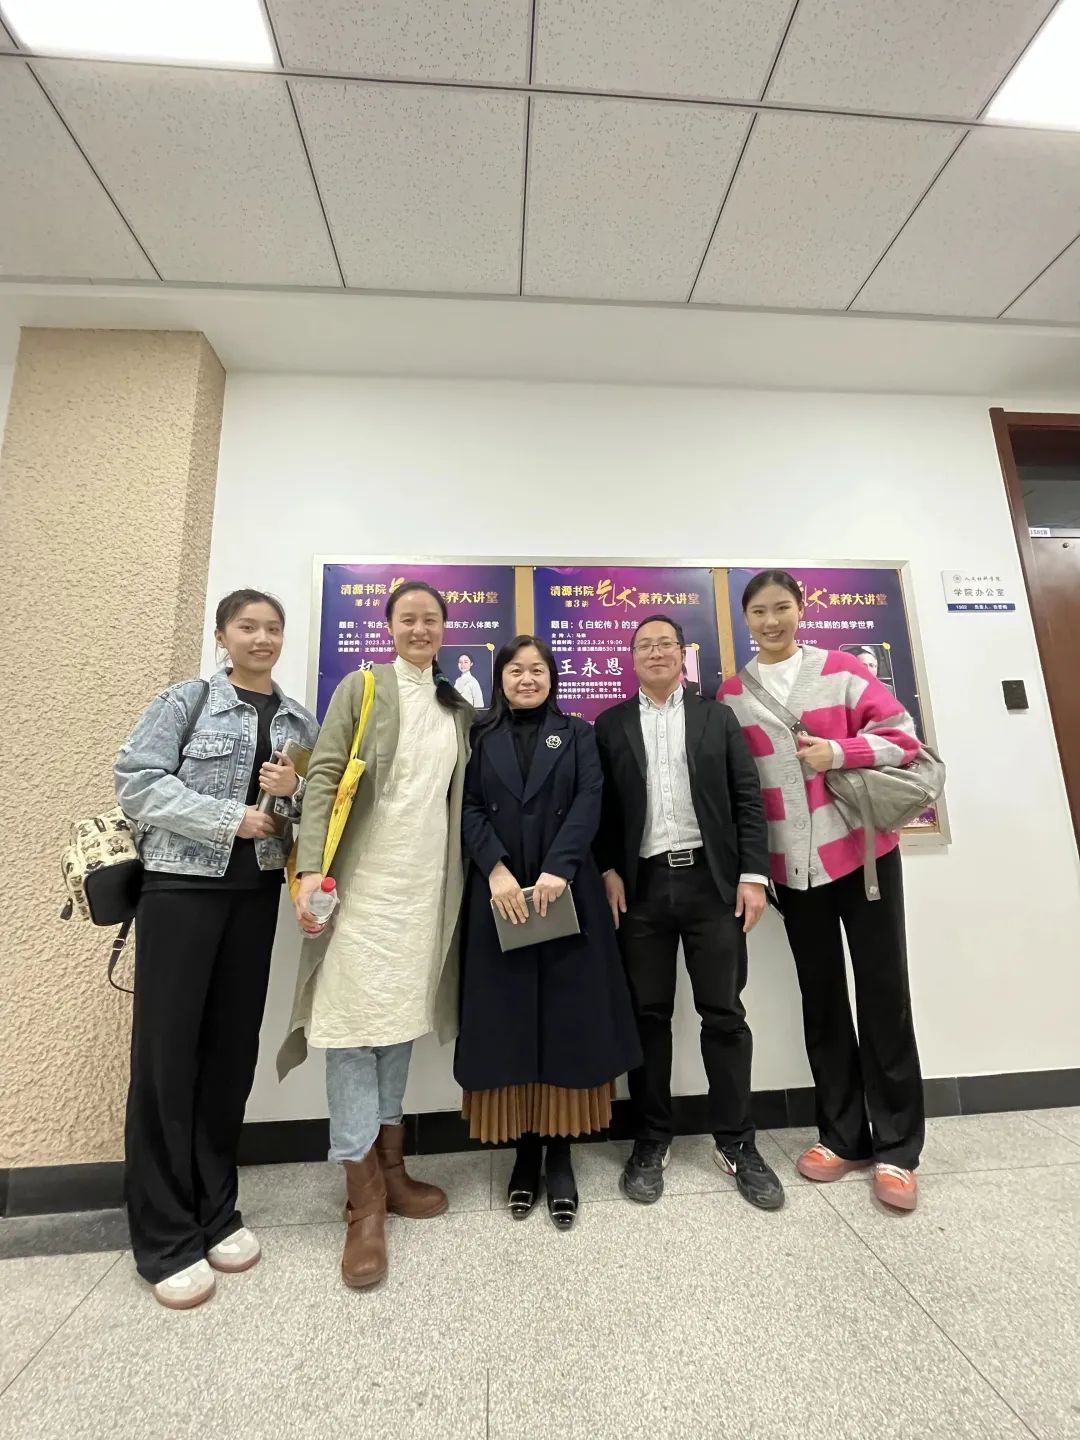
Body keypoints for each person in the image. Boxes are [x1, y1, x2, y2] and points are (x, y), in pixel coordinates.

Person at [115, 589, 318, 1310]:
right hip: (179, 893)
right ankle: (165, 1237)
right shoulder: (187, 701)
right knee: (166, 1061)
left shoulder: (298, 721)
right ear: (223, 636)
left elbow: (307, 819)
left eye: (272, 628)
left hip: (253, 898)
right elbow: (136, 783)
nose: (262, 638)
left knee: (229, 1058)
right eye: (247, 627)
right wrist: (229, 817)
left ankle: (217, 1211)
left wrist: (295, 792)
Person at [279, 580, 472, 1290]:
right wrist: (310, 870)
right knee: (351, 1028)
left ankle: (392, 1171)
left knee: (396, 1024)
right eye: (408, 618)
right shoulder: (361, 689)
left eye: (431, 619)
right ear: (389, 626)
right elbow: (325, 775)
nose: (420, 629)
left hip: (423, 893)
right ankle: (362, 1203)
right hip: (359, 888)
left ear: (446, 629)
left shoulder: (457, 708)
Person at [720, 570, 925, 1211]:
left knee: (884, 994)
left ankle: (897, 1149)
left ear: (801, 609)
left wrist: (839, 752)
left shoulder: (842, 670)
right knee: (823, 999)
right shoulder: (733, 694)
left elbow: (905, 740)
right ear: (745, 619)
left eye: (782, 607)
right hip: (792, 871)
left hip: (863, 859)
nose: (771, 621)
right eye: (759, 611)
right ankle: (842, 1136)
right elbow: (737, 786)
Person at [594, 616, 783, 1211]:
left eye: (665, 645)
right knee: (647, 1016)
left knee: (724, 1013)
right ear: (631, 658)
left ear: (683, 655)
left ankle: (737, 1141)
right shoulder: (610, 725)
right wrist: (607, 868)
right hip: (643, 888)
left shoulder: (716, 717)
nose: (655, 653)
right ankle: (651, 1139)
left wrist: (753, 875)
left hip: (711, 884)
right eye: (644, 645)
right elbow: (600, 808)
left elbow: (748, 798)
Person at [455, 636, 641, 1230]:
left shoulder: (579, 734)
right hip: (502, 896)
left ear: (552, 677)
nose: (527, 679)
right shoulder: (478, 737)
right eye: (516, 670)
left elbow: (591, 801)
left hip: (568, 892)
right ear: (500, 678)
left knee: (567, 1020)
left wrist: (560, 868)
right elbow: (468, 807)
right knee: (508, 1021)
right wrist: (496, 869)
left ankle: (560, 1154)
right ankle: (524, 1152)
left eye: (537, 670)